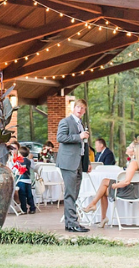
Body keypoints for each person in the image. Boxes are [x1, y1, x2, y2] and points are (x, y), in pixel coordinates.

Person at [83, 140, 139, 227]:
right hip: (134, 191)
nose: (126, 148)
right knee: (103, 189)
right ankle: (101, 216)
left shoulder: (133, 163)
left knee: (104, 182)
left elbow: (126, 181)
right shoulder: (137, 162)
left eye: (129, 147)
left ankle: (93, 205)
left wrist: (115, 185)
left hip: (130, 192)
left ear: (134, 151)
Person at [56, 98, 91, 232]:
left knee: (75, 193)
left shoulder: (82, 124)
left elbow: (84, 145)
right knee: (70, 193)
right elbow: (60, 138)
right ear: (73, 108)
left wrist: (86, 162)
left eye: (83, 108)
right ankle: (72, 223)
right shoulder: (66, 121)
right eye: (78, 107)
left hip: (79, 162)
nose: (80, 110)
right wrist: (78, 136)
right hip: (68, 162)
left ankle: (70, 222)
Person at [14, 146, 37, 214]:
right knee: (29, 195)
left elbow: (22, 168)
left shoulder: (22, 160)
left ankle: (24, 209)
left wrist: (18, 171)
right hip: (28, 180)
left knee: (22, 195)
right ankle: (32, 208)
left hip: (21, 180)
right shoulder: (28, 160)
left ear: (20, 153)